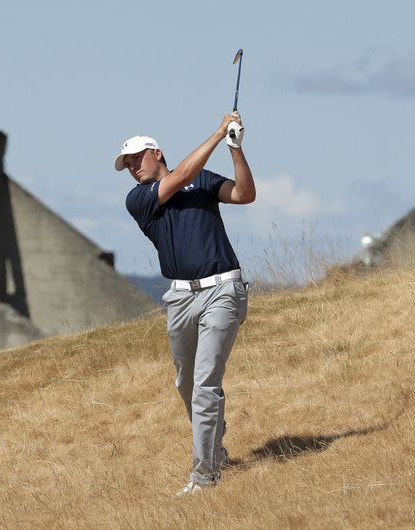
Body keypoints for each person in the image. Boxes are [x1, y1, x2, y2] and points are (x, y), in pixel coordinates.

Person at [115, 111, 255, 496]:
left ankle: (204, 475)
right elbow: (179, 178)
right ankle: (215, 447)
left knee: (206, 384)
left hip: (223, 291)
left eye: (135, 159)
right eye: (126, 165)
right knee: (186, 383)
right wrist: (216, 131)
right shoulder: (139, 198)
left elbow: (244, 194)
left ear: (155, 152)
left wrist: (235, 149)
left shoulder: (203, 179)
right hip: (179, 298)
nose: (131, 169)